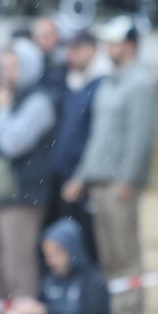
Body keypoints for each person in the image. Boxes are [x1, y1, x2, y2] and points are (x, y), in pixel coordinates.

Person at [64, 16, 156, 314]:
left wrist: (129, 178)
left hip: (119, 183)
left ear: (130, 46)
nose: (108, 48)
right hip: (100, 183)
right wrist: (82, 177)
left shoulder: (139, 84)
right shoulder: (108, 84)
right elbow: (98, 139)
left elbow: (139, 136)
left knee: (125, 253)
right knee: (108, 255)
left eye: (114, 42)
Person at [0, 38, 57, 304]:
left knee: (17, 266)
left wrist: (1, 110)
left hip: (23, 195)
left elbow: (12, 143)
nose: (5, 73)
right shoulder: (6, 96)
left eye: (12, 66)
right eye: (3, 66)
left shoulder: (39, 102)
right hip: (0, 194)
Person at [46, 28, 109, 263]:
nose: (69, 56)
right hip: (61, 175)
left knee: (87, 244)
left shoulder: (103, 85)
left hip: (86, 179)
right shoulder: (70, 82)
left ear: (91, 50)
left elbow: (98, 137)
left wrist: (83, 176)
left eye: (75, 49)